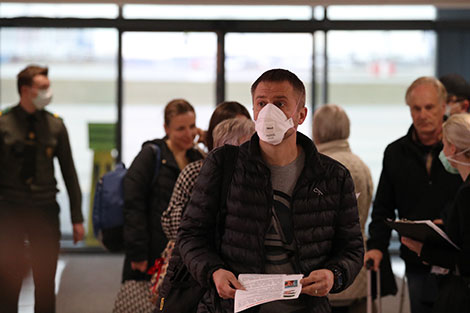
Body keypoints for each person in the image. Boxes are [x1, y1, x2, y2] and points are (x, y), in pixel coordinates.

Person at [177, 68, 364, 313]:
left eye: (280, 103)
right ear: (253, 110)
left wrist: (334, 274)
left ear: (301, 114)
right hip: (232, 306)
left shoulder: (333, 177)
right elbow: (191, 234)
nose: (268, 112)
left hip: (305, 307)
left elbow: (351, 248)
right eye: (261, 103)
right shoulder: (224, 164)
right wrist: (214, 271)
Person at [365, 76, 463, 313]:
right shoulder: (395, 153)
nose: (422, 114)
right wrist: (377, 245)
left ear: (443, 107)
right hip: (417, 260)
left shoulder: (461, 148)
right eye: (416, 108)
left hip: (458, 258)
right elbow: (383, 206)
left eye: (429, 107)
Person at [0, 65, 84, 313]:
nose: (48, 92)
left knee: (45, 279)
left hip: (44, 209)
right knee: (8, 280)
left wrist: (77, 218)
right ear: (26, 90)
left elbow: (69, 172)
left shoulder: (55, 125)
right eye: (43, 87)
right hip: (10, 210)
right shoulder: (3, 124)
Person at [114, 99, 204, 313]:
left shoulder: (197, 156)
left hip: (179, 256)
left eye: (192, 126)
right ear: (166, 129)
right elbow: (133, 204)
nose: (188, 133)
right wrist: (138, 253)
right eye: (180, 128)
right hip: (150, 251)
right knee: (144, 304)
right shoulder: (152, 155)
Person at [401, 113, 470, 313]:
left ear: (453, 148)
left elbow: (465, 260)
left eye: (444, 143)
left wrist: (423, 250)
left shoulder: (467, 193)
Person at [313, 104, 374, 313]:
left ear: (317, 130)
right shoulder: (360, 164)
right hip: (357, 265)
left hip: (329, 271)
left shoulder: (324, 168)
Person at [161, 101, 251, 242]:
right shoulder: (196, 172)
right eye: (229, 130)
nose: (238, 138)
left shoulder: (258, 172)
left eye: (244, 130)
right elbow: (171, 224)